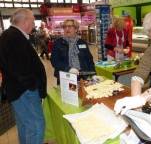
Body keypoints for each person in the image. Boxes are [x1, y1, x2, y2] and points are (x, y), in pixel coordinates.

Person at [0, 8, 47, 144]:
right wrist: (34, 85)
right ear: (24, 22)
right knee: (36, 126)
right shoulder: (15, 37)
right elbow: (20, 69)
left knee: (24, 125)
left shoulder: (8, 34)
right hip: (25, 91)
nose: (33, 27)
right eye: (32, 23)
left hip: (17, 90)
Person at [50, 18, 103, 85]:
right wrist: (68, 69)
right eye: (65, 26)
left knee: (82, 94)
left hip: (82, 77)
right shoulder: (58, 43)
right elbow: (55, 61)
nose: (67, 28)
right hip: (65, 77)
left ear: (76, 29)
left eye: (70, 26)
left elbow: (89, 60)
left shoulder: (82, 43)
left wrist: (93, 74)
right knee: (69, 95)